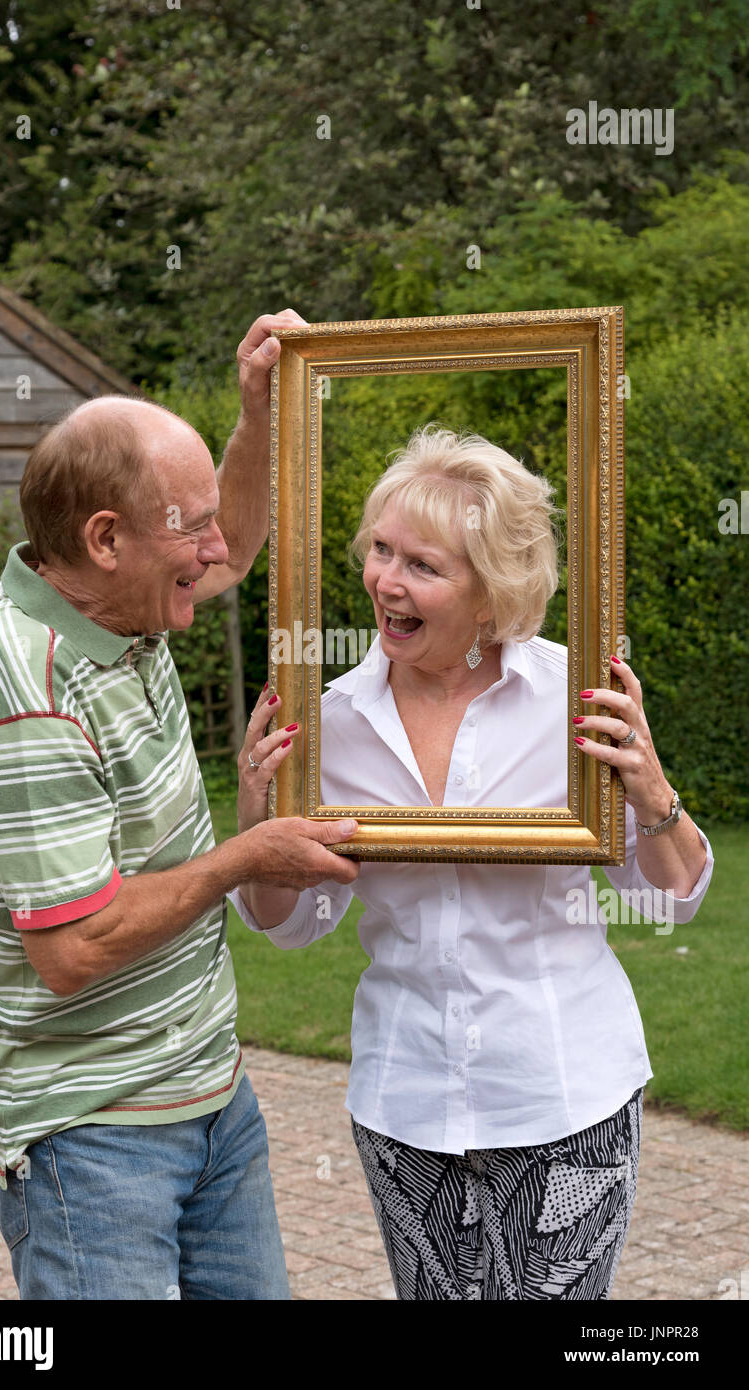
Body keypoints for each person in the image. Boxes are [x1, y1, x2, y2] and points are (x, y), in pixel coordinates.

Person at [0, 308, 360, 1301]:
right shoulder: (26, 692)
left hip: (207, 1094)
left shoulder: (118, 599)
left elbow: (238, 547)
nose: (214, 552)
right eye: (188, 525)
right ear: (105, 537)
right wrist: (249, 857)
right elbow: (72, 949)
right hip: (89, 1133)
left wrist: (255, 414)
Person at [232, 424, 714, 1301]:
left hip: (563, 1095)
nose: (385, 580)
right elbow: (290, 925)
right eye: (379, 550)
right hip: (404, 1097)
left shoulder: (575, 703)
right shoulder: (330, 719)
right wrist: (258, 831)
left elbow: (672, 898)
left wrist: (652, 794)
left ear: (490, 593)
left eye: (422, 565)